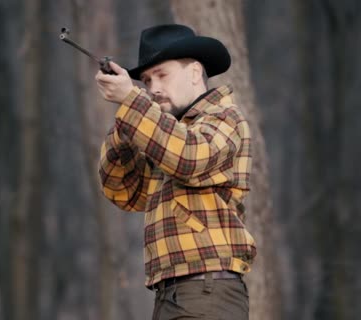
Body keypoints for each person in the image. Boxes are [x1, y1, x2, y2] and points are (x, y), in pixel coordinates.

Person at [95, 24, 256, 320]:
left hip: (207, 292)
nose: (153, 88)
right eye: (145, 80)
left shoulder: (224, 117)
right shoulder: (163, 134)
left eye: (162, 75)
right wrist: (124, 127)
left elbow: (190, 158)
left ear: (195, 73)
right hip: (170, 294)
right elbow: (122, 191)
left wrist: (133, 103)